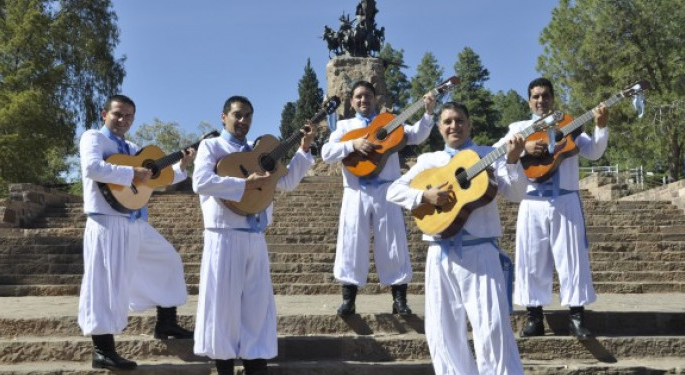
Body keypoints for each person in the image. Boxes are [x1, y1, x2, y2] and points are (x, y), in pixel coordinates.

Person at [387, 101, 527, 374]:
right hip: (439, 251)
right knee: (442, 330)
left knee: (492, 328)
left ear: (469, 124)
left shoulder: (488, 154)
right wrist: (423, 196)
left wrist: (512, 160)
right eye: (448, 121)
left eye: (459, 120)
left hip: (480, 252)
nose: (454, 126)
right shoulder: (430, 161)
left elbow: (516, 194)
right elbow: (393, 190)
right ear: (439, 127)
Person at [192, 95, 315, 375]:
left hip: (255, 235)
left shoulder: (260, 151)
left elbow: (288, 182)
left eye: (248, 115)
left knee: (258, 305)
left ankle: (256, 364)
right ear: (224, 117)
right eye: (238, 115)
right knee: (222, 305)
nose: (243, 120)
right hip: (223, 234)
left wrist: (304, 149)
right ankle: (223, 366)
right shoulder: (211, 146)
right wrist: (242, 185)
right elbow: (200, 181)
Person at [78, 94, 195, 370]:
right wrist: (131, 174)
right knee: (105, 284)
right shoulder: (94, 138)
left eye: (129, 116)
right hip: (107, 220)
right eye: (118, 114)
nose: (123, 120)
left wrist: (182, 166)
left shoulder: (131, 147)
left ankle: (166, 323)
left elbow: (158, 178)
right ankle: (102, 350)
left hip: (135, 221)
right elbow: (92, 168)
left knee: (167, 260)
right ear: (104, 114)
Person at [497, 77, 609, 340]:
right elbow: (495, 153)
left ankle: (577, 317)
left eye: (545, 95)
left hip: (565, 200)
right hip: (532, 201)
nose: (540, 100)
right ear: (529, 101)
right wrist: (522, 149)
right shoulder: (519, 127)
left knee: (573, 259)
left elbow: (593, 153)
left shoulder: (569, 126)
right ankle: (534, 318)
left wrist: (601, 127)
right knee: (530, 259)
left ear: (553, 98)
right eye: (535, 96)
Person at [321, 80, 436, 316]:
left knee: (393, 242)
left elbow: (416, 135)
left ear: (375, 99)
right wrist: (353, 143)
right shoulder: (344, 126)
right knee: (352, 242)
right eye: (359, 97)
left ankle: (399, 300)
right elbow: (327, 153)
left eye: (368, 96)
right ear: (352, 102)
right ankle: (348, 300)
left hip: (387, 190)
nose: (364, 100)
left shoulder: (389, 123)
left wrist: (428, 112)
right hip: (356, 191)